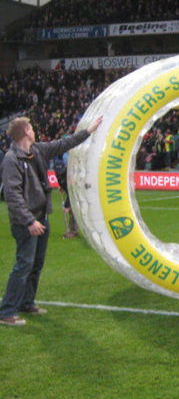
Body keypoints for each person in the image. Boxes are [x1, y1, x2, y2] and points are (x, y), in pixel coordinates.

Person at [0, 114, 103, 326]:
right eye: (31, 126)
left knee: (36, 264)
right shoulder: (12, 159)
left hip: (41, 218)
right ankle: (6, 312)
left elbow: (63, 144)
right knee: (24, 264)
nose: (33, 129)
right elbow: (13, 195)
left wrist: (88, 131)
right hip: (26, 222)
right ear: (26, 132)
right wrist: (29, 221)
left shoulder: (36, 150)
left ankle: (26, 303)